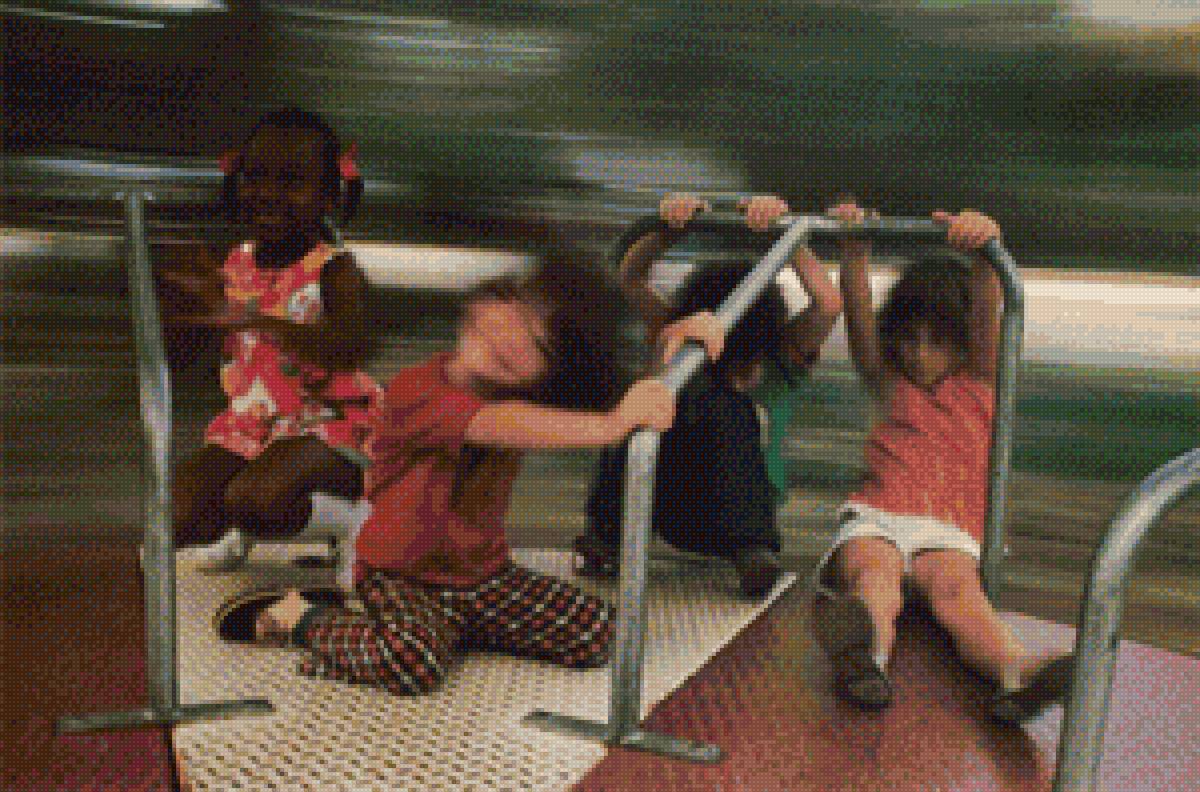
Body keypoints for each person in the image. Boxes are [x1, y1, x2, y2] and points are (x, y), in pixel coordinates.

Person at [214, 257, 681, 696]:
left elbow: (616, 384)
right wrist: (611, 425)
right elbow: (490, 424)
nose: (514, 342)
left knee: (601, 631)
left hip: (482, 576)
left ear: (550, 376)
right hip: (400, 576)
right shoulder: (417, 389)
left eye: (540, 346)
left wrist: (673, 336)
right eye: (516, 316)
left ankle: (433, 629)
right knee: (414, 663)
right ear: (482, 301)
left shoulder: (523, 401)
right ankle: (303, 615)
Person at [813, 202, 1073, 722]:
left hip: (948, 530)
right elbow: (860, 319)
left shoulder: (979, 383)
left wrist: (984, 254)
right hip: (878, 518)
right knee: (874, 576)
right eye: (907, 338)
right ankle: (865, 657)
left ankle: (1016, 670)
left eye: (936, 342)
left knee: (959, 595)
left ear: (962, 345)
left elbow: (986, 318)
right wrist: (854, 254)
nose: (917, 354)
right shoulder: (889, 382)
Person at [576, 194, 843, 598]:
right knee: (645, 401)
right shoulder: (682, 347)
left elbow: (828, 304)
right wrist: (671, 227)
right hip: (664, 502)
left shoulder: (780, 357)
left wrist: (785, 233)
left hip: (736, 520)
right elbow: (630, 278)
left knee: (728, 407)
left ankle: (752, 554)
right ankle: (606, 535)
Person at [166, 108, 380, 565]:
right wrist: (187, 312)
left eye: (291, 181)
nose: (266, 193)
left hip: (329, 423)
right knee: (176, 512)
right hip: (253, 425)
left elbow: (350, 348)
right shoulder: (234, 263)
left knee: (257, 499)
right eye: (254, 176)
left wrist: (253, 320)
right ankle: (244, 522)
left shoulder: (334, 269)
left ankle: (354, 520)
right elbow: (179, 360)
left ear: (328, 196)